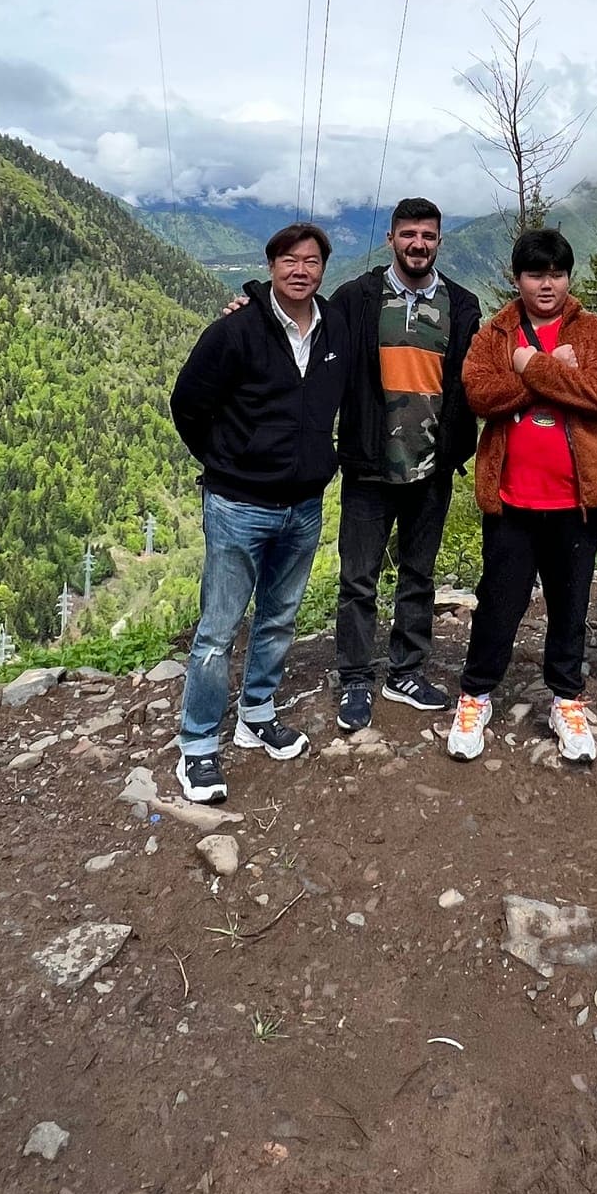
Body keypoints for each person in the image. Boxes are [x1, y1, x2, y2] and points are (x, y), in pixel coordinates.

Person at [167, 222, 350, 803]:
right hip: (238, 505)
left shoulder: (335, 329)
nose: (301, 270)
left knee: (278, 618)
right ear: (271, 266)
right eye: (289, 260)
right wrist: (226, 462)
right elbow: (187, 403)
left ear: (323, 270)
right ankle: (198, 745)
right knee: (218, 631)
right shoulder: (236, 330)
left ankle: (257, 714)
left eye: (312, 261)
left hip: (303, 505)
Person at [447, 227, 597, 766]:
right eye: (535, 274)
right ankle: (475, 695)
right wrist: (548, 371)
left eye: (556, 274)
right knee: (499, 603)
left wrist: (529, 365)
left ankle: (567, 699)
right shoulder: (496, 333)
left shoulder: (594, 333)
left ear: (568, 277)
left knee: (571, 605)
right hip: (512, 501)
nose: (546, 285)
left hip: (576, 501)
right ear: (517, 278)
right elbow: (480, 394)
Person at [323, 198, 482, 731]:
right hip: (369, 466)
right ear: (391, 238)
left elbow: (475, 377)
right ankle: (355, 678)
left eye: (428, 235)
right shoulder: (358, 298)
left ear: (439, 241)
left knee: (419, 575)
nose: (419, 244)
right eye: (409, 234)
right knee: (358, 579)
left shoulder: (462, 305)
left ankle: (406, 671)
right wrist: (250, 306)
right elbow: (308, 337)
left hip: (432, 467)